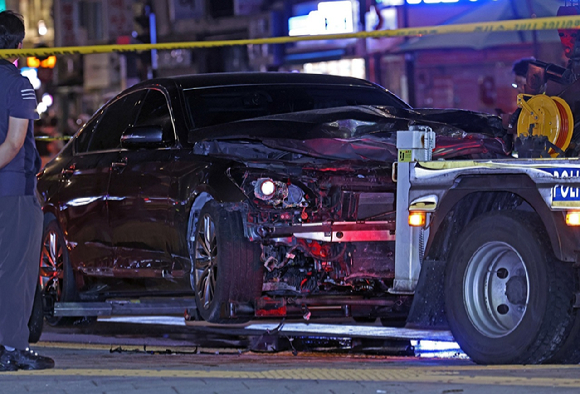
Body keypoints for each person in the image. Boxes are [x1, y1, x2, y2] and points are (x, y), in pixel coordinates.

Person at [0, 10, 54, 371]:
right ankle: (12, 347)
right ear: (18, 44)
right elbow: (15, 143)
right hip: (14, 190)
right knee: (16, 272)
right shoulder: (17, 83)